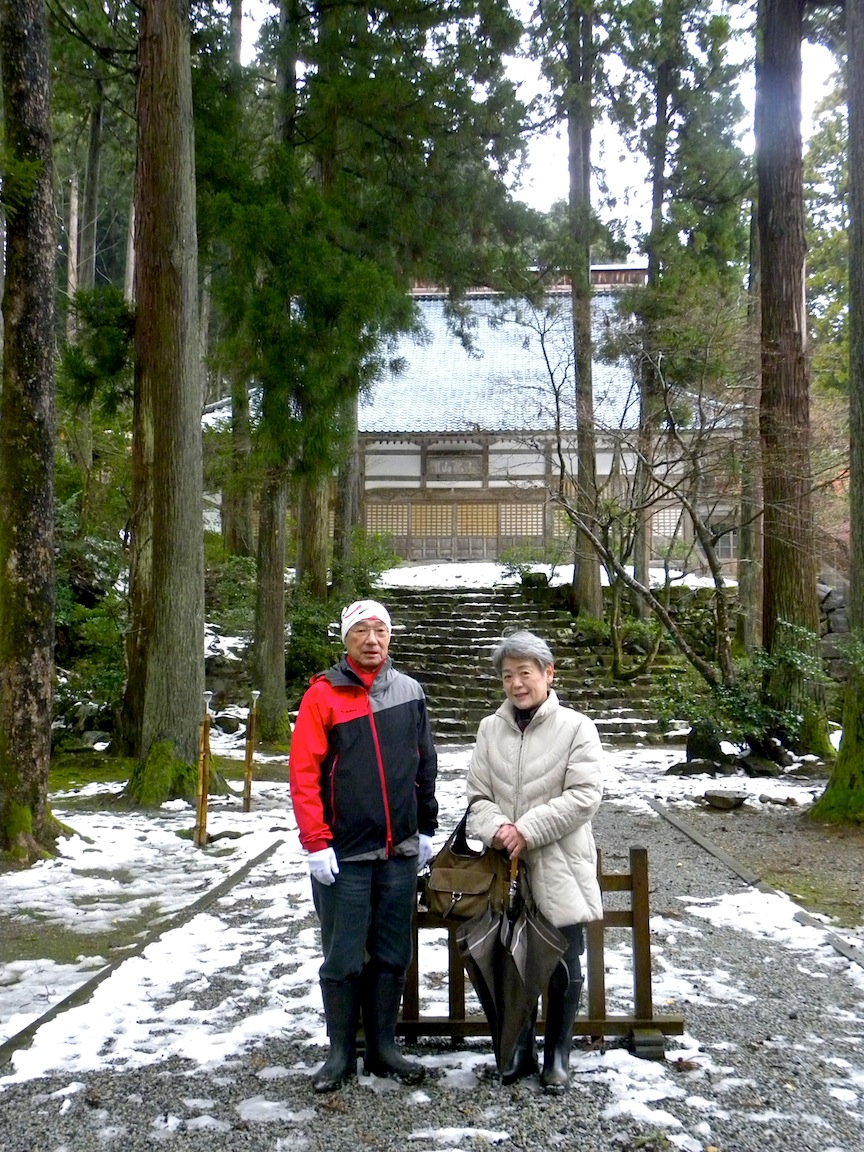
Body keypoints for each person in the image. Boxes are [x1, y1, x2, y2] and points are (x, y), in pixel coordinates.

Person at [289, 598, 438, 1092]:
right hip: (344, 853)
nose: (372, 640)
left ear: (389, 637)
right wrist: (315, 841)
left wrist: (428, 828)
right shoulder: (323, 695)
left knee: (394, 953)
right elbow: (304, 774)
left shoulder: (411, 692)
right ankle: (339, 1051)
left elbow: (424, 766)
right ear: (346, 639)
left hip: (398, 852)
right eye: (361, 632)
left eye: (380, 631)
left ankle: (383, 1047)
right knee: (343, 956)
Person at [466, 630, 604, 1093]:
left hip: (560, 862)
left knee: (563, 958)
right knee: (507, 957)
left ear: (548, 673)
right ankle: (516, 1049)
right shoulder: (490, 728)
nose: (516, 684)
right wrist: (500, 830)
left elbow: (585, 796)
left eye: (525, 673)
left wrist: (529, 828)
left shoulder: (577, 727)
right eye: (507, 675)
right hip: (506, 868)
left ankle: (557, 1055)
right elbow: (477, 797)